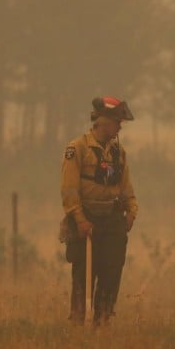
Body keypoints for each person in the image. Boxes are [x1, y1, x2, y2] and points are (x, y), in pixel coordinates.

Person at [60, 96, 138, 325]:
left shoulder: (118, 152)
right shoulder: (78, 148)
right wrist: (81, 220)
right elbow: (69, 190)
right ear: (103, 122)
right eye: (116, 122)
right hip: (86, 221)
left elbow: (125, 187)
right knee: (83, 276)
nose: (119, 127)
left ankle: (102, 323)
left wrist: (132, 210)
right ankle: (77, 322)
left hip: (112, 221)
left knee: (111, 273)